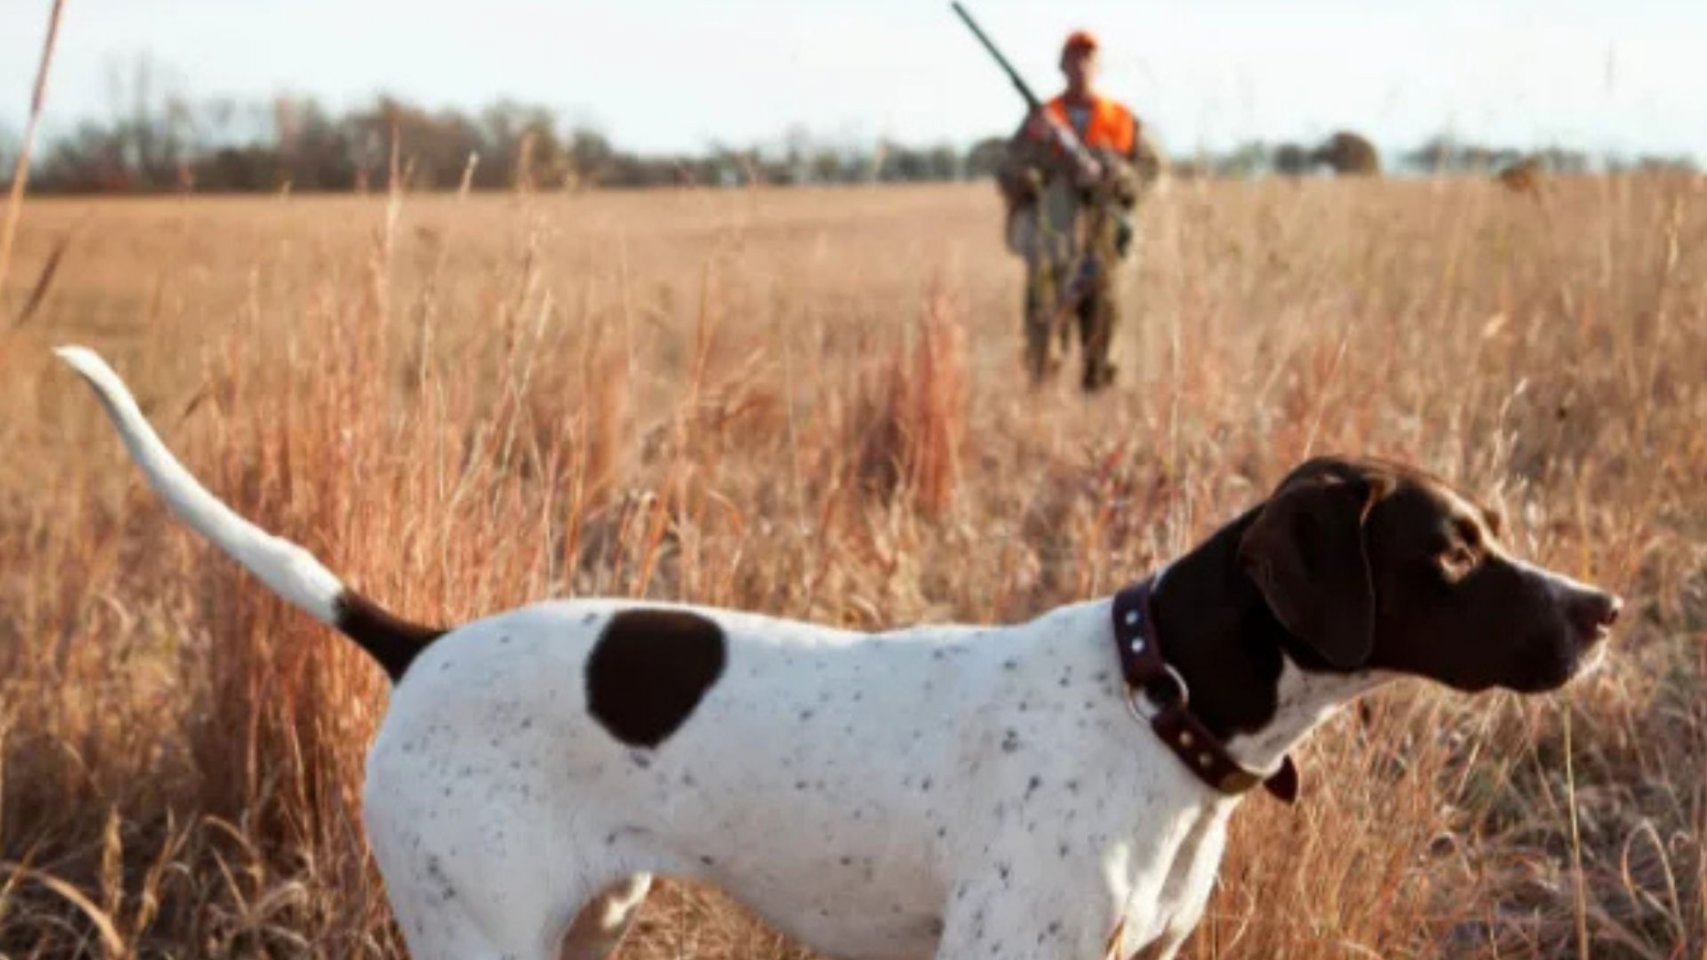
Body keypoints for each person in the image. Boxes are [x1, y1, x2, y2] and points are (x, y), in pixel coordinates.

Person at [999, 30, 1157, 392]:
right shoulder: (1041, 120)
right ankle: (1041, 414)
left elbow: (1150, 171)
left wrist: (1112, 176)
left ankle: (1095, 413)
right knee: (1043, 339)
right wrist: (1041, 174)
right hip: (1052, 246)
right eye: (1073, 57)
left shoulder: (1119, 118)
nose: (1081, 65)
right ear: (1061, 65)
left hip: (1103, 247)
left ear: (1098, 65)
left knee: (1103, 339)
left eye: (1088, 57)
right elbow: (1010, 170)